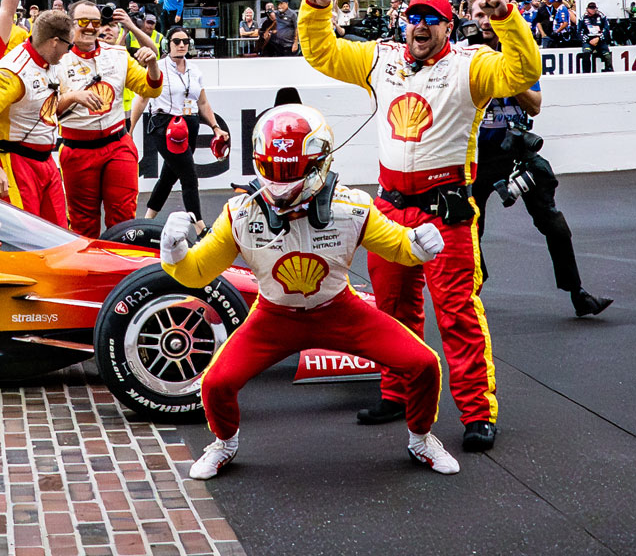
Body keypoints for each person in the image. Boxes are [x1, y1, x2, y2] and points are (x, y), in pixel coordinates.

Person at [299, 0, 538, 452]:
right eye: (414, 16)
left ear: (449, 25)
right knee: (390, 310)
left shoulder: (472, 66)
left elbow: (524, 70)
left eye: (432, 18)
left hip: (444, 210)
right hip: (389, 208)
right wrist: (316, 9)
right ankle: (397, 393)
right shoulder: (381, 58)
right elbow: (323, 54)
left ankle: (476, 413)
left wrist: (505, 17)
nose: (421, 25)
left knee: (457, 313)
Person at [166, 105, 460, 480]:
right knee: (215, 382)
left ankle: (420, 439)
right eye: (272, 169)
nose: (280, 182)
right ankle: (224, 443)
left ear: (320, 162)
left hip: (340, 311)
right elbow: (196, 273)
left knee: (424, 364)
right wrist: (174, 254)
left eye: (290, 170)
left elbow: (399, 247)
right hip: (273, 317)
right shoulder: (240, 213)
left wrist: (420, 245)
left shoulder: (352, 207)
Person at [469, 0, 613, 318]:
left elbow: (534, 104)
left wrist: (505, 76)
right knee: (468, 227)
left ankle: (578, 293)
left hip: (516, 150)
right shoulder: (461, 57)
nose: (485, 21)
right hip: (475, 156)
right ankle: (473, 292)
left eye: (490, 13)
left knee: (554, 223)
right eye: (479, 15)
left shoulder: (520, 55)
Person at [54, 1, 162, 237]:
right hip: (77, 149)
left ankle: (123, 269)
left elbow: (150, 89)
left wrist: (153, 64)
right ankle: (89, 272)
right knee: (83, 223)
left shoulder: (118, 54)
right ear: (71, 25)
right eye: (83, 22)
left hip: (117, 144)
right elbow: (49, 111)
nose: (91, 28)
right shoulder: (56, 60)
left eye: (96, 22)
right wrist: (73, 97)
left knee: (123, 220)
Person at [0, 10, 80, 226]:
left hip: (46, 162)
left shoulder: (51, 62)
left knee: (60, 232)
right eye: (68, 46)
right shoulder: (12, 73)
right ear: (55, 42)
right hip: (17, 165)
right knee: (26, 236)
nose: (69, 52)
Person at [142, 27, 230, 223]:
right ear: (167, 44)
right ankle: (199, 226)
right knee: (189, 177)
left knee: (168, 178)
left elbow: (203, 103)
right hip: (165, 126)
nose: (181, 45)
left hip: (189, 126)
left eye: (185, 41)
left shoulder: (195, 70)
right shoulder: (158, 67)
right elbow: (142, 98)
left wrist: (215, 127)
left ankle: (146, 220)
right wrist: (130, 129)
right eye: (176, 41)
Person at [577, 0, 613, 73]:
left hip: (600, 39)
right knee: (586, 53)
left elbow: (606, 29)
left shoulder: (601, 17)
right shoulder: (583, 18)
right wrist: (586, 39)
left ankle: (609, 70)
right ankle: (586, 72)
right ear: (587, 9)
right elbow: (578, 31)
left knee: (607, 55)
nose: (593, 10)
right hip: (588, 40)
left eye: (594, 8)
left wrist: (599, 38)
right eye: (591, 8)